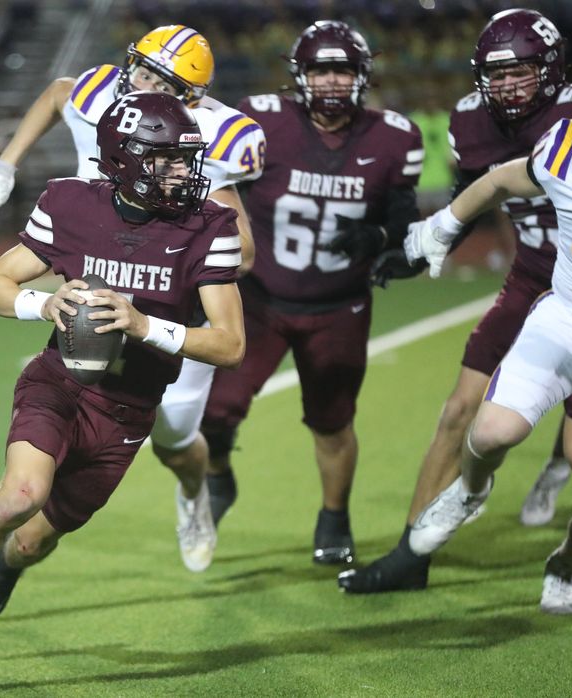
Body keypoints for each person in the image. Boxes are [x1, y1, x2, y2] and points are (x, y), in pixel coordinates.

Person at [0, 91, 246, 679]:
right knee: (20, 496)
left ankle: (6, 570)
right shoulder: (71, 204)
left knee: (32, 541)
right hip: (60, 382)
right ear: (124, 159)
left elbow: (230, 344)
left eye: (184, 158)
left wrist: (146, 325)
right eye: (165, 159)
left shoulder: (208, 225)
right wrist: (44, 302)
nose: (182, 172)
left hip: (129, 409)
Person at [0, 24, 265, 573]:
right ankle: (8, 534)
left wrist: (178, 217)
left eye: (160, 78)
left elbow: (243, 251)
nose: (139, 82)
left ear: (193, 97)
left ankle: (194, 494)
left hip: (169, 306)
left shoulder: (205, 141)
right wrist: (7, 162)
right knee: (56, 410)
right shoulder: (100, 96)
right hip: (97, 288)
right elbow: (59, 91)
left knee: (175, 441)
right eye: (141, 66)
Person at [339, 8, 572, 594]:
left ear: (550, 70)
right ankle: (412, 550)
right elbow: (480, 191)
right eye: (496, 74)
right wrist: (419, 246)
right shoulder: (472, 121)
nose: (508, 86)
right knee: (459, 411)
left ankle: (564, 534)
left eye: (521, 71)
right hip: (535, 276)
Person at [199, 20, 423, 564]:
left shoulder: (396, 135)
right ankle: (220, 475)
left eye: (341, 69)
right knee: (215, 414)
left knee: (332, 421)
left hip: (339, 305)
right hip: (259, 300)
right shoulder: (260, 121)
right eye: (320, 70)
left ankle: (334, 519)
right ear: (299, 76)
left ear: (361, 76)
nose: (329, 81)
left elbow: (403, 219)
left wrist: (382, 237)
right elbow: (218, 191)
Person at [392, 114, 572, 614]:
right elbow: (496, 180)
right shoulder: (563, 147)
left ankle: (568, 562)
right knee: (493, 432)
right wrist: (442, 226)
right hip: (564, 318)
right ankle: (470, 490)